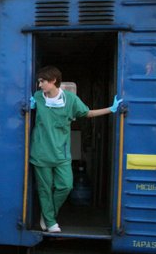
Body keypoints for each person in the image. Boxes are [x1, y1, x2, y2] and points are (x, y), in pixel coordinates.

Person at [29, 66, 122, 233]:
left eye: (42, 81)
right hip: (41, 153)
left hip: (61, 154)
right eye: (39, 81)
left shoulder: (70, 99)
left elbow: (87, 113)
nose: (39, 84)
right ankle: (50, 221)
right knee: (45, 189)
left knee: (66, 186)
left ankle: (48, 214)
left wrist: (111, 109)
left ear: (53, 81)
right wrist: (29, 107)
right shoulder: (37, 97)